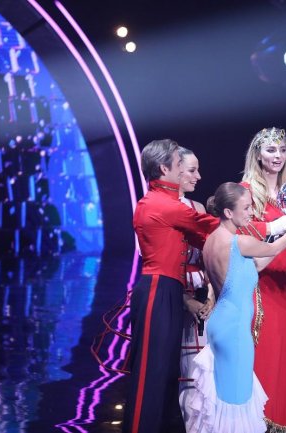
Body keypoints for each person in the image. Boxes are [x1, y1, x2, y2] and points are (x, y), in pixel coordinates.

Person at [183, 182, 286, 432]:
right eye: (246, 208)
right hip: (235, 330)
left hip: (221, 324)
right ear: (229, 212)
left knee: (224, 398)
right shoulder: (239, 242)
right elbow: (271, 247)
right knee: (236, 399)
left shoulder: (212, 240)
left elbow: (257, 264)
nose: (251, 213)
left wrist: (282, 241)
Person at [123, 139, 218, 433]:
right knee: (150, 375)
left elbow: (203, 237)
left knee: (164, 374)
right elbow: (213, 227)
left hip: (168, 289)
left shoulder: (163, 202)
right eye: (179, 165)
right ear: (164, 169)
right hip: (158, 289)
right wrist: (267, 228)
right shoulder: (162, 204)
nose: (184, 171)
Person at [238, 127, 286, 432]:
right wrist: (276, 229)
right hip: (261, 281)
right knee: (262, 354)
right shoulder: (246, 192)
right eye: (270, 150)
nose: (278, 156)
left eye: (282, 150)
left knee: (283, 355)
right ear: (258, 154)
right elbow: (240, 237)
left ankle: (280, 423)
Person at [175, 148, 216, 412]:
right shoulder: (154, 207)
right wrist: (185, 300)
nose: (198, 176)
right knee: (182, 370)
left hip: (202, 294)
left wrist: (211, 294)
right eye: (192, 170)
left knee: (203, 369)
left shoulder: (198, 208)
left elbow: (209, 257)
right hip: (174, 295)